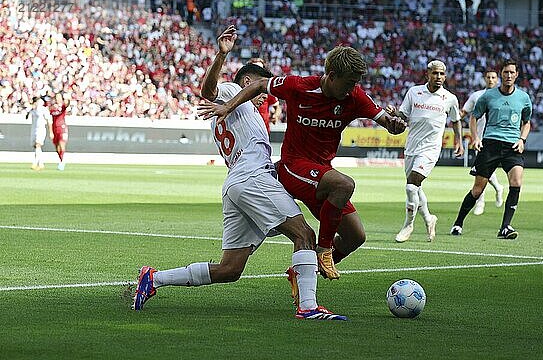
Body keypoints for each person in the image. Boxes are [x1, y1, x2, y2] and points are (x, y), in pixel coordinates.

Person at [133, 25, 346, 320]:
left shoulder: (244, 112)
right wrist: (221, 55)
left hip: (237, 183)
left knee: (230, 269)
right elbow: (208, 91)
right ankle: (308, 306)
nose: (266, 95)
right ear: (247, 81)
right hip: (251, 177)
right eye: (262, 86)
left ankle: (153, 278)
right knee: (305, 235)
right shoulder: (235, 93)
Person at [199, 45, 406, 280]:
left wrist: (395, 123)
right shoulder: (300, 86)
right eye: (349, 82)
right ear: (332, 76)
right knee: (344, 185)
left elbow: (386, 120)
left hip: (320, 174)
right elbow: (258, 84)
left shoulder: (355, 96)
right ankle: (323, 250)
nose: (352, 89)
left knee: (355, 237)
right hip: (293, 167)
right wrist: (227, 106)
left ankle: (304, 271)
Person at [450, 59, 532, 239]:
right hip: (491, 144)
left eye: (512, 72)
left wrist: (522, 139)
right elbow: (473, 117)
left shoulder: (524, 98)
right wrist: (475, 137)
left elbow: (527, 123)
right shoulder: (487, 96)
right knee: (478, 189)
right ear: (501, 74)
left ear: (516, 75)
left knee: (516, 182)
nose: (509, 75)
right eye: (505, 72)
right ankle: (458, 223)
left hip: (512, 146)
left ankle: (505, 227)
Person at [389, 60, 464, 243]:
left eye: (441, 74)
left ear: (445, 77)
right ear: (427, 74)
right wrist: (394, 113)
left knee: (411, 186)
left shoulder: (450, 98)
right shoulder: (414, 92)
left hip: (430, 149)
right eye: (435, 73)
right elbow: (403, 115)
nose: (438, 77)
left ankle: (408, 225)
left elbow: (455, 120)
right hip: (412, 146)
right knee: (416, 188)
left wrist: (459, 141)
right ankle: (429, 218)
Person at [461, 70, 504, 216]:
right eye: (489, 77)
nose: (491, 80)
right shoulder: (477, 96)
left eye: (493, 77)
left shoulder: (503, 97)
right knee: (481, 172)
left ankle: (497, 189)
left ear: (497, 79)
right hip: (480, 139)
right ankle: (482, 201)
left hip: (496, 138)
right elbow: (465, 112)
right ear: (484, 79)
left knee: (485, 171)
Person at [247, 58, 281, 133]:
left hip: (263, 132)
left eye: (260, 69)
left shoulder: (267, 88)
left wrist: (275, 116)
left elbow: (277, 107)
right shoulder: (241, 88)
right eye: (255, 68)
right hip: (247, 131)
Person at [26, 97, 53, 171]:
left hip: (41, 129)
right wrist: (30, 110)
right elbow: (26, 117)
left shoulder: (43, 110)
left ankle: (35, 163)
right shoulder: (32, 110)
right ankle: (41, 164)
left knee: (38, 144)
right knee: (36, 146)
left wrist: (51, 132)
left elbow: (49, 120)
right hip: (33, 129)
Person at [48, 93, 70, 171]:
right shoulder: (52, 108)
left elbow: (67, 104)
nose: (57, 99)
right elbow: (49, 117)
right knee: (57, 147)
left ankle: (62, 161)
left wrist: (68, 99)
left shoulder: (62, 106)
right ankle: (61, 159)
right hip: (54, 129)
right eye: (56, 97)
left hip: (62, 127)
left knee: (62, 144)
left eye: (59, 97)